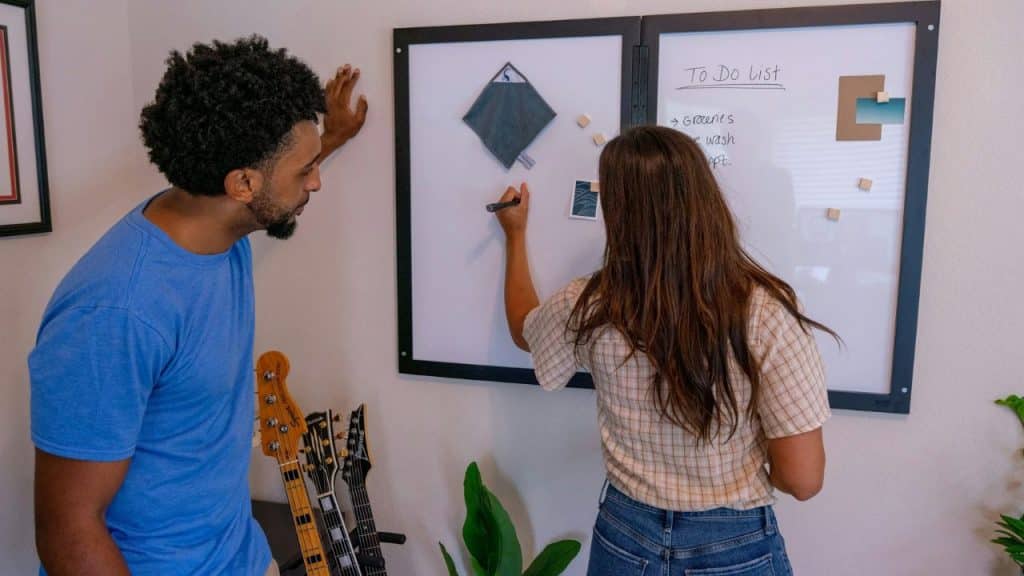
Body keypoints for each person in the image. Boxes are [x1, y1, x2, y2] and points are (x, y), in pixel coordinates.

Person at [29, 36, 368, 575]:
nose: (316, 181)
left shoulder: (219, 227)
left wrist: (330, 139)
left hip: (242, 556)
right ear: (242, 183)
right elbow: (68, 529)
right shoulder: (116, 313)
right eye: (306, 169)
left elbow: (272, 185)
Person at [494, 125, 834, 575]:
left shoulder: (591, 303)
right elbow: (802, 479)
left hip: (624, 536)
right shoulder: (766, 312)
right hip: (733, 542)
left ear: (620, 213)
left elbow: (524, 329)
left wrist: (515, 236)